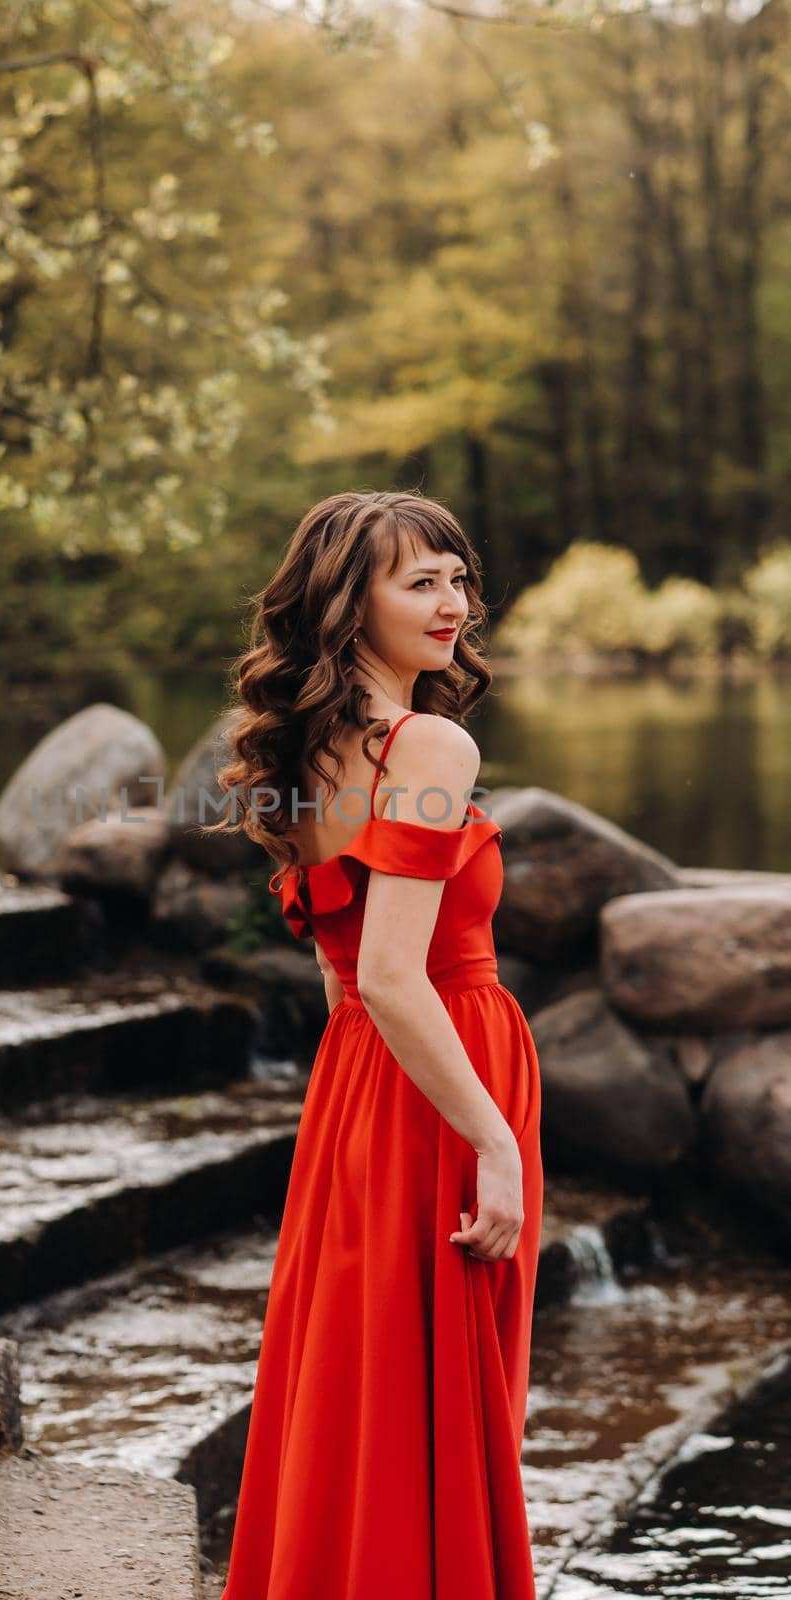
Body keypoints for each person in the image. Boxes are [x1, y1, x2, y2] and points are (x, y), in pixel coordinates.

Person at [205, 489, 544, 1600]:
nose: (453, 604)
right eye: (421, 582)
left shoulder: (308, 747)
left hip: (361, 1083)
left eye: (457, 578)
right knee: (431, 1380)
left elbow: (341, 969)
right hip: (441, 1080)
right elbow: (397, 973)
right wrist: (491, 1141)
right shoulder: (429, 741)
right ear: (352, 605)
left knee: (370, 1380)